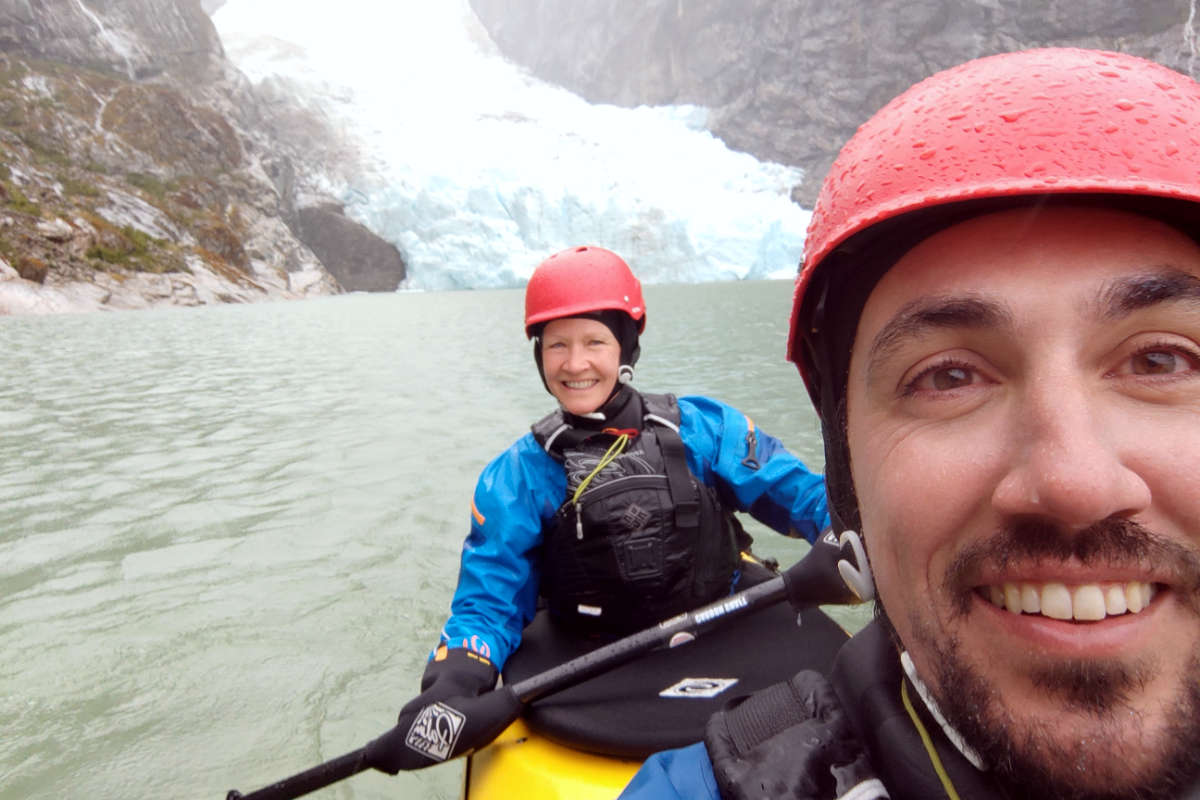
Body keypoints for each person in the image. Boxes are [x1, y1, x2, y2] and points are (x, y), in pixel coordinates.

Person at [620, 46, 1200, 800]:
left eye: (1162, 361)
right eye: (948, 377)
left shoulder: (696, 427)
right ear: (851, 462)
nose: (1075, 482)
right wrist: (473, 655)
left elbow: (783, 487)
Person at [401, 244, 831, 717]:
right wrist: (455, 677)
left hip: (720, 628)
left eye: (594, 342)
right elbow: (487, 602)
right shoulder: (518, 475)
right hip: (592, 657)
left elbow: (800, 497)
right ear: (539, 355)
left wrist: (843, 529)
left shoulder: (705, 429)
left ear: (626, 348)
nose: (574, 364)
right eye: (557, 345)